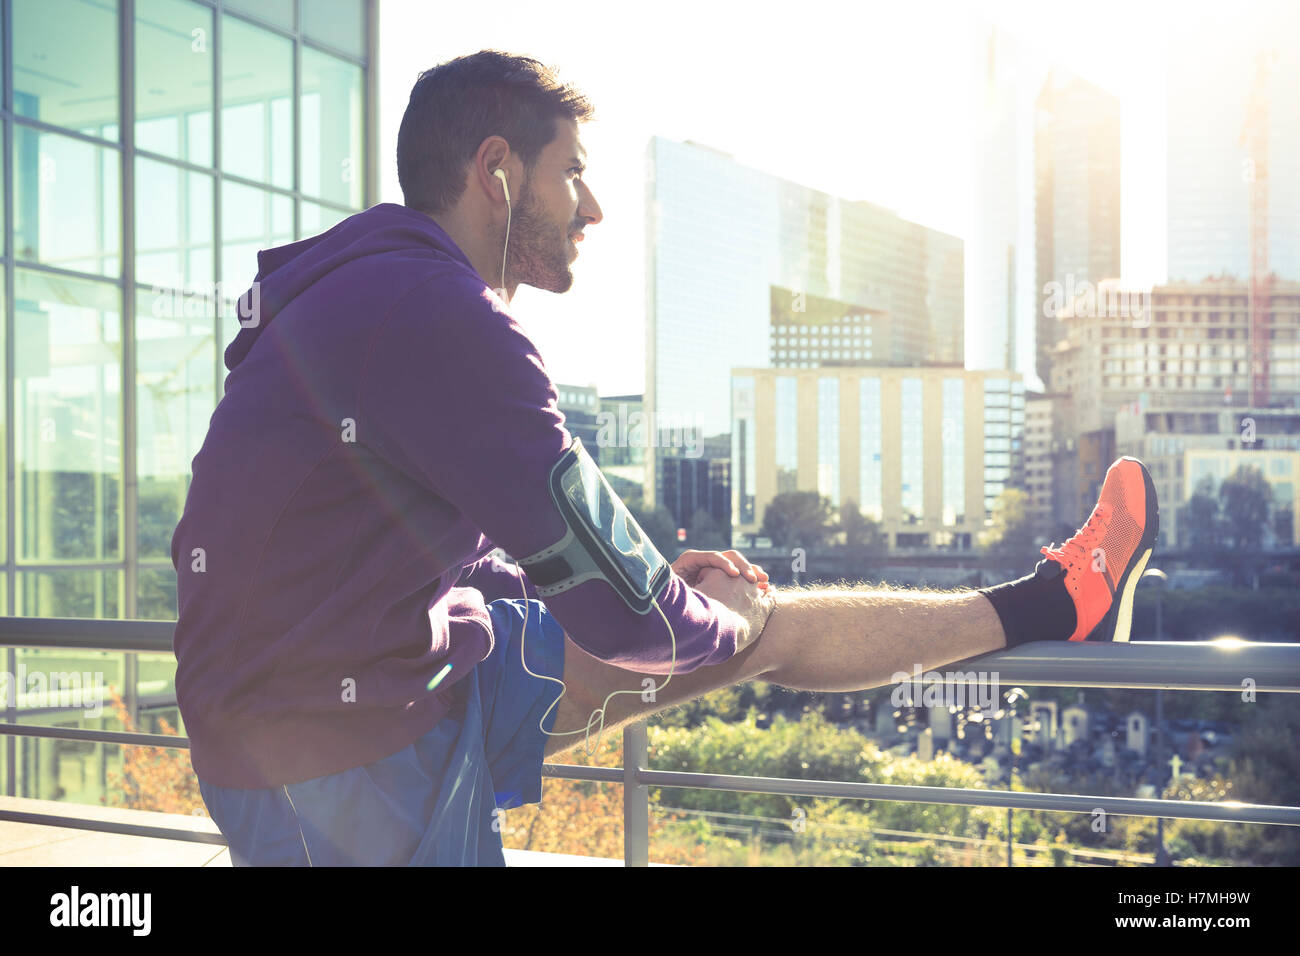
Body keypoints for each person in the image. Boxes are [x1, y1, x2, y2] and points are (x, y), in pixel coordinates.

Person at [171, 50, 1158, 866]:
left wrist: (670, 595)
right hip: (332, 753)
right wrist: (681, 607)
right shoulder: (443, 319)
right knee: (737, 621)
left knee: (758, 622)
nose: (591, 206)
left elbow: (411, 538)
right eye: (571, 172)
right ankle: (1054, 603)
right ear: (496, 172)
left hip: (393, 669)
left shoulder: (369, 298)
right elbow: (631, 620)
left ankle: (1058, 600)